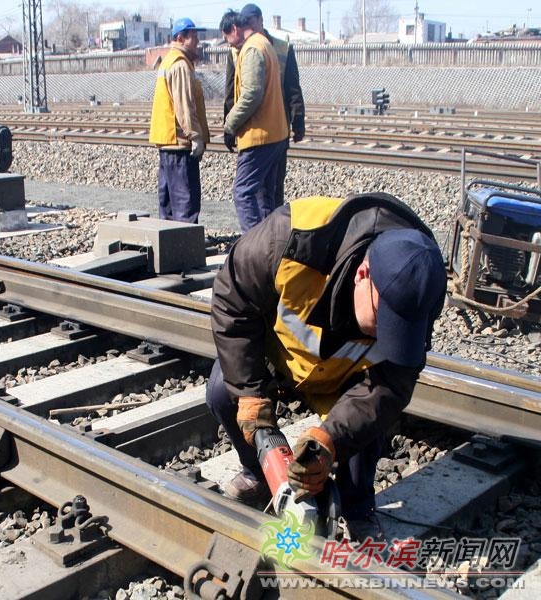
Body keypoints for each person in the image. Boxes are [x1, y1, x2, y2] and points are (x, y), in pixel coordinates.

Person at [207, 193, 447, 542]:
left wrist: (330, 439)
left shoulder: (421, 284)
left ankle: (357, 505)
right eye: (383, 320)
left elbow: (391, 384)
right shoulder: (292, 237)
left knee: (368, 422)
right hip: (282, 354)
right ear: (363, 273)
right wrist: (249, 392)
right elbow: (232, 301)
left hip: (343, 375)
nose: (385, 334)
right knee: (222, 390)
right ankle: (258, 473)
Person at [224, 4, 305, 209]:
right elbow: (232, 91)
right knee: (260, 190)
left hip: (276, 127)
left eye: (252, 22)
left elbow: (292, 87)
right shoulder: (237, 50)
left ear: (261, 20)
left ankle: (269, 234)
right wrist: (230, 127)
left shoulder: (280, 47)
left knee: (272, 188)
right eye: (245, 24)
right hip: (256, 129)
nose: (249, 28)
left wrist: (298, 120)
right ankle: (267, 235)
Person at [219, 9, 290, 234]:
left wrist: (229, 123)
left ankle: (252, 247)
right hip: (276, 134)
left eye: (227, 38)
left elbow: (251, 94)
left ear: (235, 29)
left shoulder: (251, 49)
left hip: (258, 135)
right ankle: (270, 247)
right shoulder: (265, 43)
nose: (229, 45)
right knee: (266, 197)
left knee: (243, 192)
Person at [148, 18, 210, 224]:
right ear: (180, 38)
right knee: (185, 203)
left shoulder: (168, 60)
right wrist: (196, 137)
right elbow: (185, 106)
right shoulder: (180, 64)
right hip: (180, 144)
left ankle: (168, 249)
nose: (198, 41)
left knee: (168, 205)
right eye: (193, 37)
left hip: (168, 143)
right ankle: (185, 250)